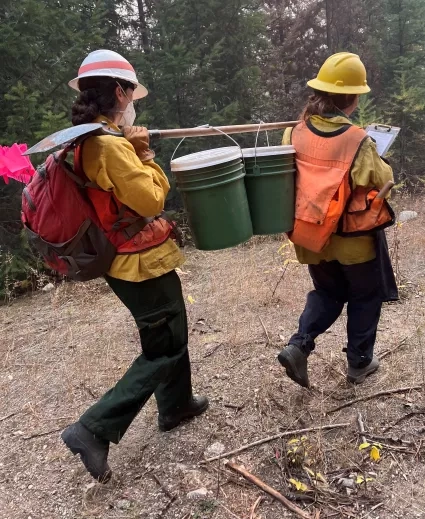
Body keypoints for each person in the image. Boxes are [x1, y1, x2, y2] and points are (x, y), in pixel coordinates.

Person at [61, 49, 208, 482]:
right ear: (121, 91)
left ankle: (176, 406)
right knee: (164, 345)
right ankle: (92, 429)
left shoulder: (85, 138)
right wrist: (143, 155)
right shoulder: (108, 145)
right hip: (137, 261)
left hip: (124, 257)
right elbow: (151, 199)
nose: (133, 102)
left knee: (170, 330)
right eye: (131, 93)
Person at [277, 52, 398, 389]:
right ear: (353, 98)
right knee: (364, 295)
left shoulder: (293, 133)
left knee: (328, 291)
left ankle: (298, 345)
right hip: (352, 241)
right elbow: (380, 178)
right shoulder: (357, 139)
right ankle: (359, 363)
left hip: (312, 236)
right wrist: (377, 151)